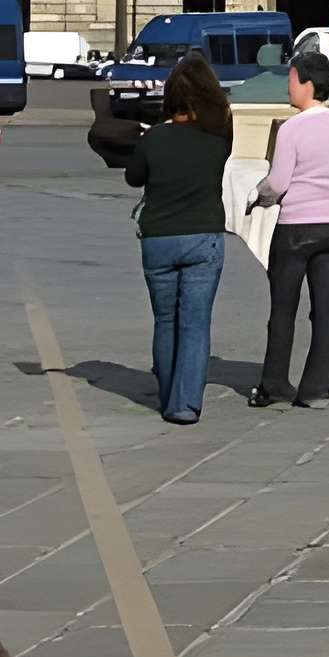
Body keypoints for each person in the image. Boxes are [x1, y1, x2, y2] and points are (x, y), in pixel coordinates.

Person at [126, 57, 236, 422]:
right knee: (195, 320)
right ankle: (184, 402)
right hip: (203, 236)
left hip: (158, 236)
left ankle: (167, 389)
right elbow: (224, 120)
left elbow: (133, 177)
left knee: (164, 319)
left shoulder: (153, 138)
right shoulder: (218, 138)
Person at [251, 50, 329, 407]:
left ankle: (275, 385)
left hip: (296, 226)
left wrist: (259, 196)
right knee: (325, 307)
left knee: (283, 307)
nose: (288, 86)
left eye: (291, 79)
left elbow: (279, 182)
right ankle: (318, 389)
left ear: (307, 84)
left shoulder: (293, 128)